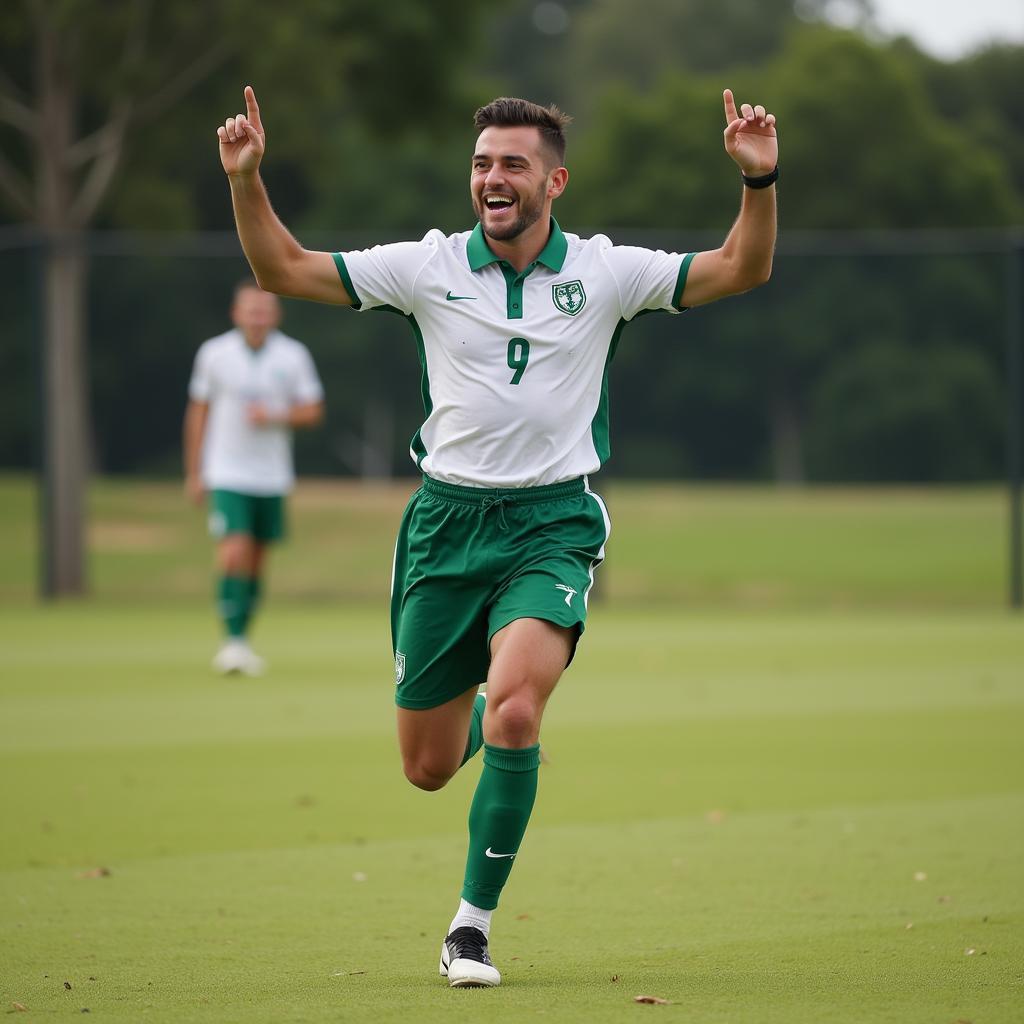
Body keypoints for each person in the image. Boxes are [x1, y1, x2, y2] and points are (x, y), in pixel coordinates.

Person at [216, 84, 776, 984]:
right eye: (482, 163)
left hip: (552, 521)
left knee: (519, 713)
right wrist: (246, 179)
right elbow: (283, 268)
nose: (493, 177)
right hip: (445, 526)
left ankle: (470, 928)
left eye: (513, 163)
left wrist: (760, 180)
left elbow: (740, 270)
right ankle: (472, 705)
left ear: (556, 181)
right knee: (428, 768)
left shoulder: (605, 272)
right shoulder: (426, 266)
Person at [184, 280, 325, 675]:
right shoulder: (214, 354)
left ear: (275, 315)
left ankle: (243, 639)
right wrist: (194, 472)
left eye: (264, 310)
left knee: (258, 560)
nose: (257, 317)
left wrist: (276, 416)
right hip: (226, 471)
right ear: (236, 314)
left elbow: (313, 410)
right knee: (234, 551)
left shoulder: (293, 356)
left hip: (272, 475)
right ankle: (230, 641)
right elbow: (198, 412)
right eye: (250, 309)